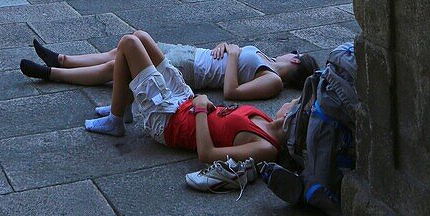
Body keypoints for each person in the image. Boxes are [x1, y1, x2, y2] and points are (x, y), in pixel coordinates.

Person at [80, 32, 296, 177]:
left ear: (292, 118)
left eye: (293, 104)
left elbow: (207, 155)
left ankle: (114, 121)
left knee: (129, 44)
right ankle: (123, 108)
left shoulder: (266, 148)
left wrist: (201, 109)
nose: (288, 102)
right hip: (186, 102)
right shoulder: (267, 121)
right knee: (140, 36)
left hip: (171, 123)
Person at [21, 36, 316, 100]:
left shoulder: (273, 80)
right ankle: (62, 59)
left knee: (116, 66)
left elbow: (231, 92)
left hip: (188, 70)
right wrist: (226, 46)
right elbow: (231, 59)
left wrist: (235, 55)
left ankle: (51, 74)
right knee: (125, 45)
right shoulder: (264, 58)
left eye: (294, 53)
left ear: (295, 61)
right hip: (192, 51)